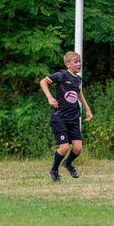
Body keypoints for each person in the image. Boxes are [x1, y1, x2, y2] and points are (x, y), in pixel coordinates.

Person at [39, 51, 93, 182]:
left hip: (73, 117)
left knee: (78, 148)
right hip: (60, 117)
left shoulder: (78, 79)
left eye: (80, 61)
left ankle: (67, 163)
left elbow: (78, 93)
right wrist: (50, 97)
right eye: (76, 62)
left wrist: (87, 109)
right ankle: (54, 169)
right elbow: (43, 82)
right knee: (64, 148)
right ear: (68, 64)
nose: (79, 64)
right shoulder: (62, 75)